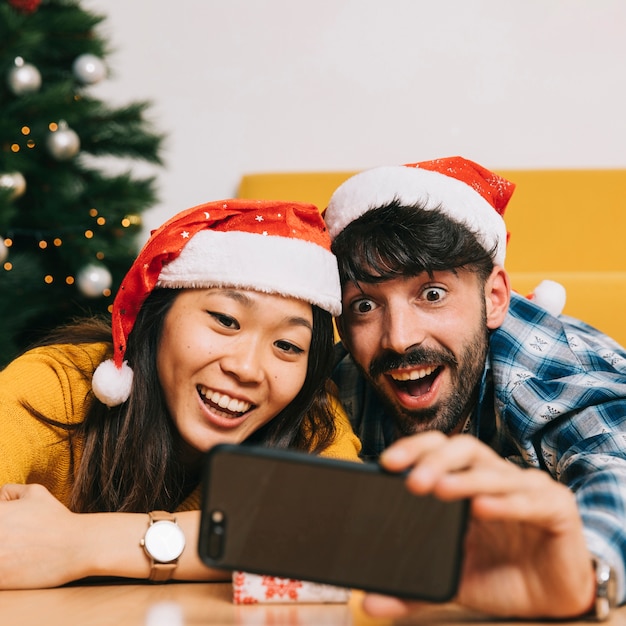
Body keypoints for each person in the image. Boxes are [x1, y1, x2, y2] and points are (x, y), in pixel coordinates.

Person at [0, 198, 361, 590]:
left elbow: (352, 529)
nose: (247, 368)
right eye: (225, 320)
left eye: (288, 346)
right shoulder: (57, 385)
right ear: (154, 317)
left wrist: (81, 543)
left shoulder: (308, 411)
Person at [324, 156, 626, 620]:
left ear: (494, 298)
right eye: (365, 304)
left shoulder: (541, 372)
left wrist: (583, 573)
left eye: (432, 294)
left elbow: (615, 460)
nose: (399, 337)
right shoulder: (343, 379)